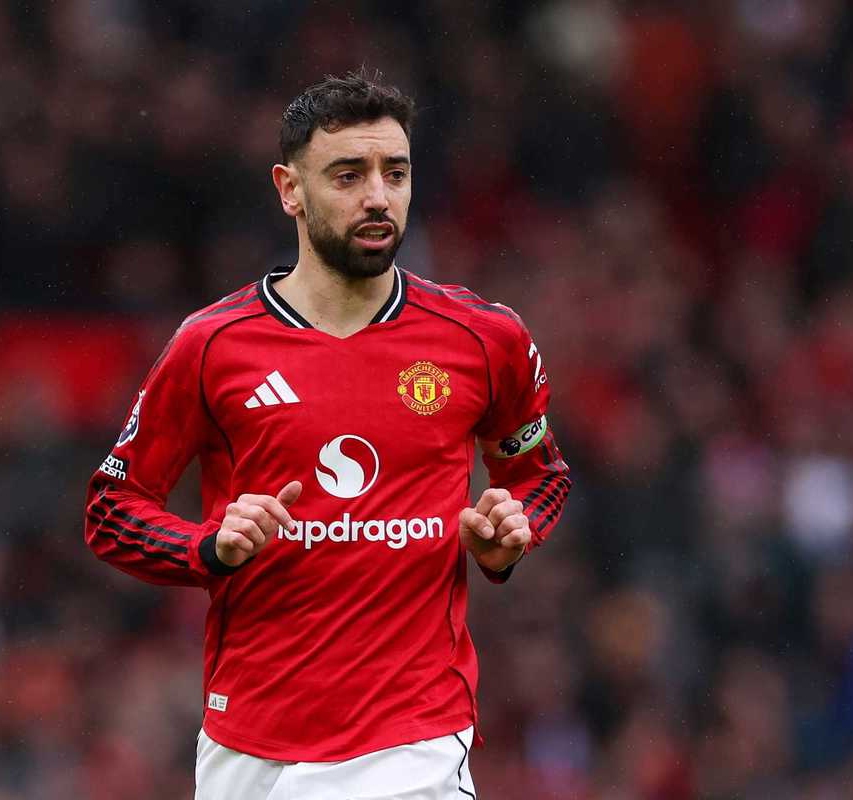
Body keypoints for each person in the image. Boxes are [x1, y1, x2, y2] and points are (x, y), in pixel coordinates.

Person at [84, 70, 572, 799]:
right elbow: (111, 511)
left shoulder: (483, 338)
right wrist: (206, 547)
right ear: (290, 189)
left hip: (411, 739)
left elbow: (540, 474)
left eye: (395, 173)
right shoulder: (213, 345)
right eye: (349, 175)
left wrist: (515, 527)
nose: (378, 196)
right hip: (246, 738)